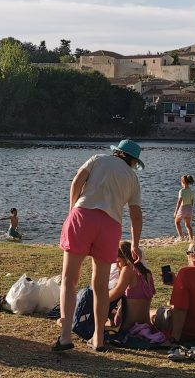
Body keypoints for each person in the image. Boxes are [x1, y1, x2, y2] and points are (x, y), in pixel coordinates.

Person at [55, 139, 145, 352]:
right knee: (101, 285)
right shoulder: (132, 177)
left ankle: (66, 336)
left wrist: (72, 211)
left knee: (70, 279)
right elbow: (136, 215)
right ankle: (98, 338)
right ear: (133, 161)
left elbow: (76, 182)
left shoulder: (97, 159)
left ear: (117, 153)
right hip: (110, 225)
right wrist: (135, 244)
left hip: (83, 216)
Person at [108, 241, 155, 332]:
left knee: (103, 306)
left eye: (118, 261)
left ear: (126, 259)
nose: (117, 266)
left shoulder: (127, 269)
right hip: (145, 323)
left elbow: (116, 293)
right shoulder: (147, 273)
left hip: (128, 325)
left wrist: (98, 300)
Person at [173, 175, 195, 241]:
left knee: (177, 222)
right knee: (188, 225)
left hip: (183, 208)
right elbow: (192, 202)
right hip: (189, 208)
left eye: (181, 182)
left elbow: (179, 202)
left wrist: (176, 211)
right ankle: (191, 239)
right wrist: (190, 209)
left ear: (183, 182)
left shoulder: (181, 191)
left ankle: (181, 237)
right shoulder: (191, 191)